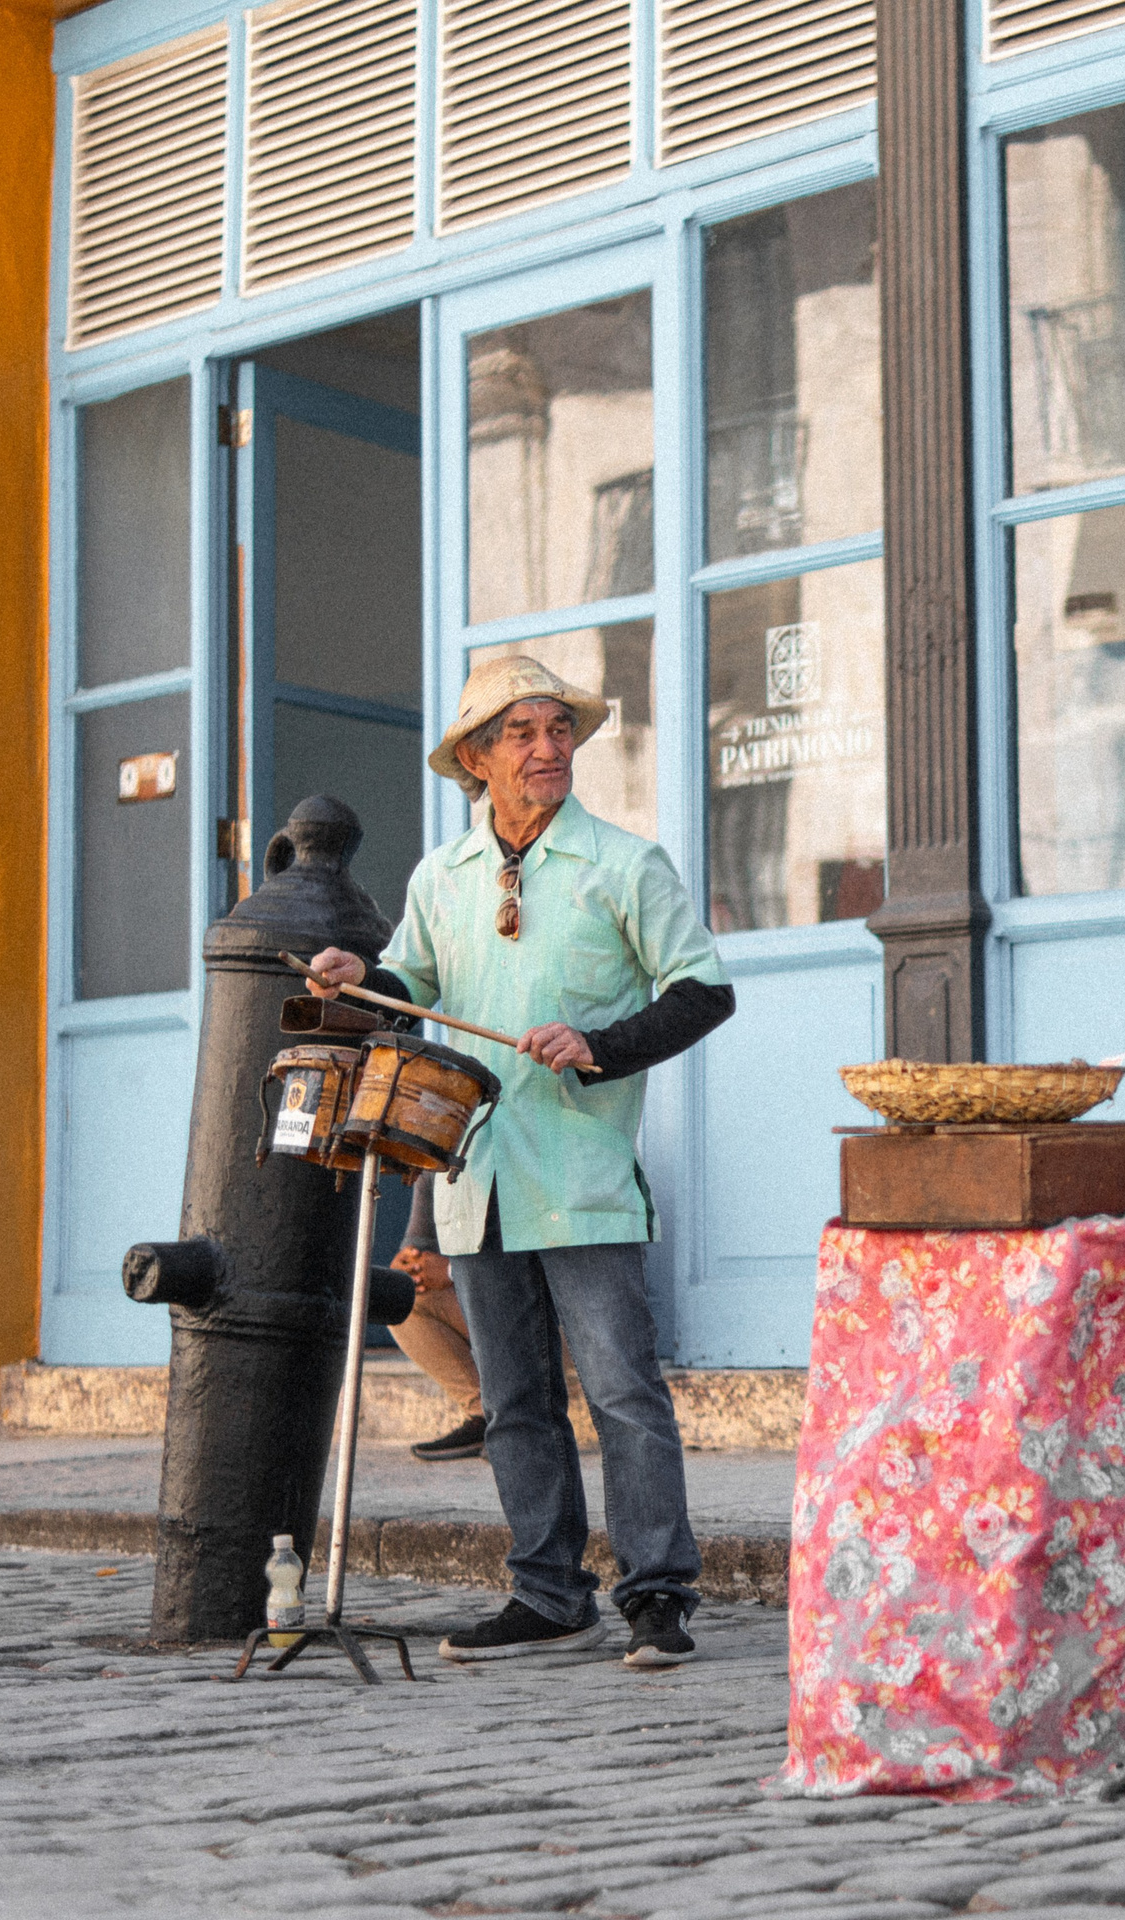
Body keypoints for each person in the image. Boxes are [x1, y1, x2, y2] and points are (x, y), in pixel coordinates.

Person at [308, 654, 735, 1669]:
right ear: (475, 759)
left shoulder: (625, 864)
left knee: (625, 1394)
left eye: (558, 730)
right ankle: (547, 1593)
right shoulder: (441, 876)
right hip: (475, 1177)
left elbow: (703, 990)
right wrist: (359, 978)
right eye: (522, 734)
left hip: (582, 1177)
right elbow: (413, 983)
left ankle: (658, 1595)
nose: (549, 749)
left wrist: (600, 1045)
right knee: (513, 1403)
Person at [388, 1177, 487, 1462]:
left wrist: (453, 1271)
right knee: (403, 1297)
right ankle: (486, 1417)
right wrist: (408, 1267)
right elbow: (418, 1248)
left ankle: (522, 1418)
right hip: (484, 1300)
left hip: (555, 1315)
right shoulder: (436, 1162)